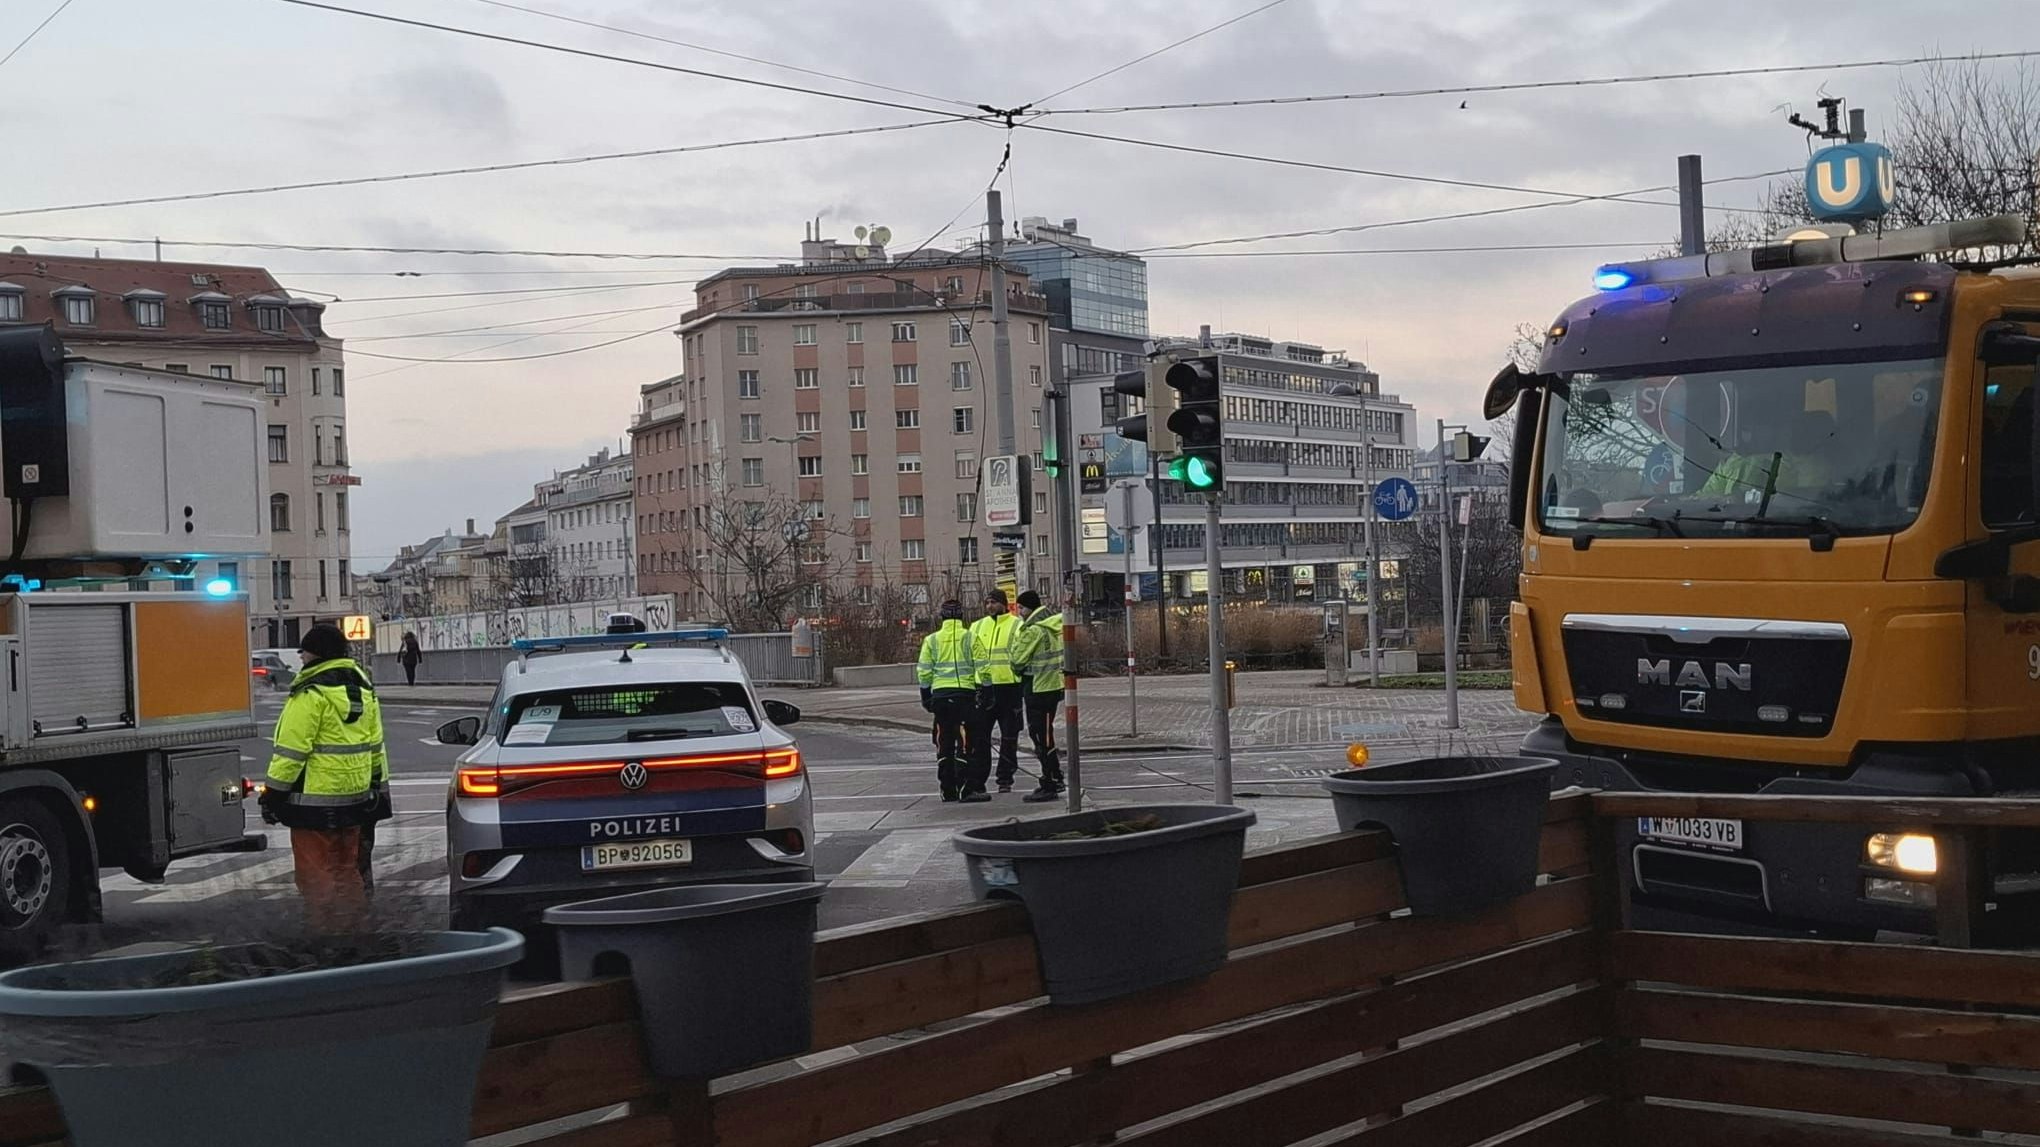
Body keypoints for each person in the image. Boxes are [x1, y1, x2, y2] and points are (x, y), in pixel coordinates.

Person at [258, 623, 389, 928]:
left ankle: (324, 939)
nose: (300, 658)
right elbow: (375, 748)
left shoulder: (311, 693)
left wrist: (272, 795)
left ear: (315, 653)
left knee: (316, 876)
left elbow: (291, 753)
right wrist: (378, 792)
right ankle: (355, 933)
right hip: (355, 800)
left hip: (312, 804)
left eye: (303, 652)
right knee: (347, 872)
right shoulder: (363, 690)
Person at [917, 600, 986, 802]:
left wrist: (925, 695)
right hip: (964, 695)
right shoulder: (970, 637)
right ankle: (966, 788)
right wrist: (985, 690)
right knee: (965, 742)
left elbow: (924, 670)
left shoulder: (932, 640)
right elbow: (983, 666)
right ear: (961, 617)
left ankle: (947, 789)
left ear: (942, 617)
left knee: (944, 742)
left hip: (940, 697)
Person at [1008, 590, 1067, 803]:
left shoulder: (1033, 630)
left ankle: (1050, 780)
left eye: (1021, 608)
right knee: (1046, 733)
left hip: (1037, 687)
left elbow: (1016, 660)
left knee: (1040, 736)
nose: (1020, 613)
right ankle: (1054, 776)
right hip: (1053, 685)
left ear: (1029, 608)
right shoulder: (1054, 625)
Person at [968, 589, 1025, 794]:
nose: (989, 606)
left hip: (1010, 688)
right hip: (983, 688)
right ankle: (978, 780)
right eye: (987, 602)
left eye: (993, 602)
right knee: (980, 737)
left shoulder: (1017, 625)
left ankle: (1005, 778)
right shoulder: (977, 626)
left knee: (1009, 736)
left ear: (1004, 604)